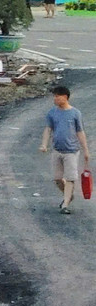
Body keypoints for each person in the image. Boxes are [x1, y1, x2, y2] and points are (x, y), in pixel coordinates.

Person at [39, 85, 90, 214]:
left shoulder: (75, 113)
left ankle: (65, 204)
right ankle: (69, 195)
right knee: (57, 178)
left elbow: (80, 132)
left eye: (57, 96)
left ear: (65, 97)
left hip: (72, 151)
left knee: (70, 178)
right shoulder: (52, 112)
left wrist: (86, 150)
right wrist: (44, 144)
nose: (55, 99)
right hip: (57, 150)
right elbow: (48, 129)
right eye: (54, 96)